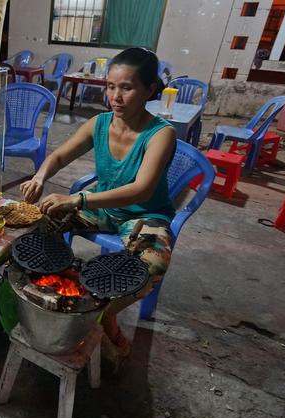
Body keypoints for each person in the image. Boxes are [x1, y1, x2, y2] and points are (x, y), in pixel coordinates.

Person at [20, 47, 177, 373]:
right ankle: (55, 287)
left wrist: (78, 199)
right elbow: (60, 156)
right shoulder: (100, 124)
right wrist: (39, 176)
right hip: (104, 205)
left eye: (127, 87)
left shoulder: (161, 134)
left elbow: (141, 189)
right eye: (110, 87)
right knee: (42, 219)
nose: (115, 97)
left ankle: (104, 317)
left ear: (150, 89)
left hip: (142, 215)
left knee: (153, 264)